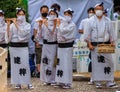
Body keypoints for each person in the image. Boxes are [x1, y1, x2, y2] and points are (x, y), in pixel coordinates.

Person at [84, 2, 118, 89]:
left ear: (103, 10)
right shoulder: (89, 21)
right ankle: (98, 81)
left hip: (105, 44)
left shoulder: (108, 20)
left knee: (109, 62)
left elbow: (111, 33)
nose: (99, 11)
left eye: (100, 9)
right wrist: (89, 44)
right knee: (97, 64)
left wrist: (113, 42)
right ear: (95, 10)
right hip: (95, 45)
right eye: (97, 9)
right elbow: (87, 34)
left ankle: (109, 81)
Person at [9, 7, 33, 89]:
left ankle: (27, 82)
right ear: (16, 15)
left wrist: (16, 25)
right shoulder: (12, 25)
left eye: (23, 14)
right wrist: (9, 25)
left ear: (25, 15)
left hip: (23, 47)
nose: (21, 16)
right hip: (13, 47)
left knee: (25, 64)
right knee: (16, 65)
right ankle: (17, 82)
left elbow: (23, 35)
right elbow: (9, 37)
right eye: (19, 14)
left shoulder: (28, 25)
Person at [55, 8, 76, 89]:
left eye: (69, 14)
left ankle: (67, 82)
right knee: (60, 63)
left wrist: (58, 25)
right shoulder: (62, 23)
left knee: (67, 64)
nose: (67, 16)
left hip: (67, 46)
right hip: (60, 46)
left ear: (71, 16)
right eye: (65, 14)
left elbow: (63, 32)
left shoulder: (72, 25)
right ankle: (60, 81)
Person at [38, 8, 58, 85]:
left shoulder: (58, 23)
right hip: (45, 45)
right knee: (45, 62)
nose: (52, 15)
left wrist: (47, 25)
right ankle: (46, 79)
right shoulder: (44, 22)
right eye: (51, 14)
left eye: (53, 14)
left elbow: (53, 33)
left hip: (53, 45)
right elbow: (39, 36)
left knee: (52, 63)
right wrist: (40, 26)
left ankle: (53, 79)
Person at [79, 7, 95, 85]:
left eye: (93, 12)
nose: (91, 13)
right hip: (87, 41)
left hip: (96, 41)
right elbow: (80, 30)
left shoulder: (97, 21)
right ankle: (92, 77)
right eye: (90, 12)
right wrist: (87, 31)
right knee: (91, 59)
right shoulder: (84, 21)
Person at [34, 5, 49, 78]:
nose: (45, 12)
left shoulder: (49, 20)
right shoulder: (37, 20)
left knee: (47, 58)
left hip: (48, 42)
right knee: (39, 57)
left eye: (46, 11)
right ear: (40, 11)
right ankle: (39, 72)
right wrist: (36, 42)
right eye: (43, 11)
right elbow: (35, 31)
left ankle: (46, 71)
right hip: (39, 42)